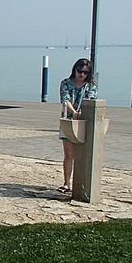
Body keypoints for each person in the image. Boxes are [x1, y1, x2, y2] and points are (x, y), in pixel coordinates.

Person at [58, 58, 97, 193]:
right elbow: (65, 99)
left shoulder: (91, 85)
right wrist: (73, 112)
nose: (82, 75)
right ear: (74, 69)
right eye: (79, 71)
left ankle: (81, 183)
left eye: (85, 72)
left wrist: (81, 112)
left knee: (83, 154)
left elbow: (90, 100)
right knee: (69, 154)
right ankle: (66, 182)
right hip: (68, 120)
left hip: (84, 122)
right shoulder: (65, 83)